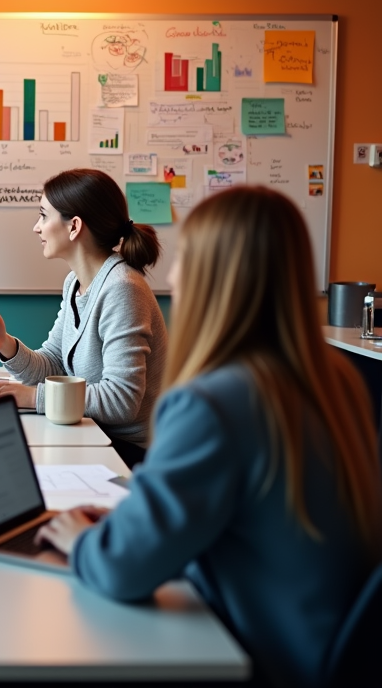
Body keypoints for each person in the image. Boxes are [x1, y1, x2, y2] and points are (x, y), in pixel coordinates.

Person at [37, 187, 382, 687]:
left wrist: (84, 540)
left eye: (187, 260)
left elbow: (123, 570)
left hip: (253, 653)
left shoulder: (213, 402)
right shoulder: (336, 378)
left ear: (216, 277)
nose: (173, 277)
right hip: (321, 644)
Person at [0, 168, 166, 466]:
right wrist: (6, 345)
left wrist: (32, 399)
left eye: (44, 216)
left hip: (126, 452)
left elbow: (122, 401)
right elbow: (53, 365)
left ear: (74, 226)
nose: (37, 227)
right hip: (90, 434)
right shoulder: (75, 282)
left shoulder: (123, 289)